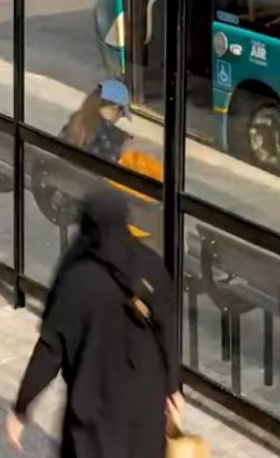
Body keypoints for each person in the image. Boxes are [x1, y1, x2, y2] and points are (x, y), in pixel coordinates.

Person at [5, 191, 182, 457]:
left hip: (94, 418)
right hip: (143, 412)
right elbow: (167, 330)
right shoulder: (150, 265)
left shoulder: (76, 279)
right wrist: (173, 386)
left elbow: (49, 352)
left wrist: (21, 409)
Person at [61, 80, 132, 163]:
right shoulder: (116, 138)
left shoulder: (71, 125)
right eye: (122, 112)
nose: (119, 117)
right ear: (114, 107)